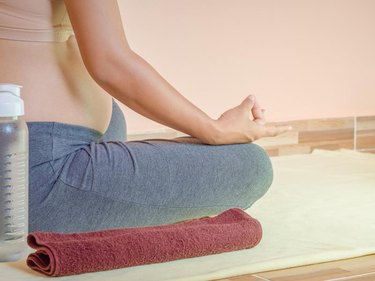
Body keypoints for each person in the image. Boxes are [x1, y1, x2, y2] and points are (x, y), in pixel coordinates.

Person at [0, 0, 291, 233]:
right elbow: (110, 63)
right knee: (251, 166)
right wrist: (215, 130)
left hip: (32, 145)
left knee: (115, 122)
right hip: (30, 175)